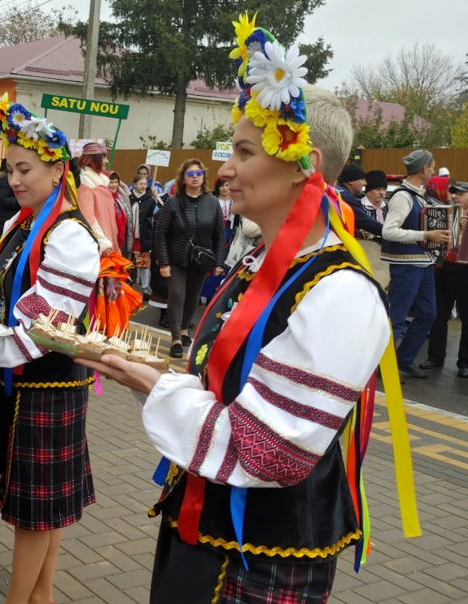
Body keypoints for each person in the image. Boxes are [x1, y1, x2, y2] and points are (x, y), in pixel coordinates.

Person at [78, 19, 401, 602]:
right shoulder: (264, 263)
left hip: (260, 560)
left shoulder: (339, 293)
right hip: (210, 534)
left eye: (244, 153)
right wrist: (154, 375)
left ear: (307, 163)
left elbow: (267, 450)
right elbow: (224, 389)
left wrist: (156, 388)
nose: (223, 169)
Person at [0, 94, 98, 604]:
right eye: (8, 169)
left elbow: (40, 326)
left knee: (35, 513)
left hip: (47, 387)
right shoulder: (19, 224)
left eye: (25, 168)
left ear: (58, 170)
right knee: (37, 510)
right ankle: (40, 599)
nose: (14, 179)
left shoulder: (71, 235)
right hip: (18, 384)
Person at [382, 149, 450, 378]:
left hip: (423, 264)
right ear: (425, 168)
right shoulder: (403, 195)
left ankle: (404, 359)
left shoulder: (419, 195)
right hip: (406, 264)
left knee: (429, 314)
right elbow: (389, 231)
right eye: (432, 166)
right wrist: (425, 235)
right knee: (397, 317)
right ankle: (386, 365)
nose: (433, 169)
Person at [154, 159, 225, 358]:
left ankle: (185, 329)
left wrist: (219, 261)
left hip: (200, 260)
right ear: (183, 178)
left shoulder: (212, 202)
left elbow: (219, 233)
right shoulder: (173, 202)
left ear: (204, 177)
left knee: (193, 297)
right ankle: (176, 338)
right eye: (190, 174)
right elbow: (161, 233)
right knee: (177, 296)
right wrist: (164, 262)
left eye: (198, 173)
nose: (195, 177)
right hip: (176, 259)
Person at [422, 180, 468, 377]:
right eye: (454, 193)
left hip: (465, 272)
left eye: (461, 193)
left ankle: (465, 363)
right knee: (438, 315)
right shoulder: (445, 213)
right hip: (444, 269)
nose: (456, 196)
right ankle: (435, 357)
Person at [75, 142, 119, 253]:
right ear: (92, 159)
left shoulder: (101, 181)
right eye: (103, 157)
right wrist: (103, 243)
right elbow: (88, 217)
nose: (107, 161)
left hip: (106, 239)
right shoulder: (84, 181)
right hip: (94, 244)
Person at [336, 163, 383, 239]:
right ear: (351, 181)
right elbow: (365, 221)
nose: (365, 183)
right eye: (362, 179)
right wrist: (389, 232)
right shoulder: (344, 196)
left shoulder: (337, 192)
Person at [0, 159, 21, 252]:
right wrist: (21, 202)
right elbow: (1, 199)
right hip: (4, 222)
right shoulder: (7, 179)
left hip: (16, 223)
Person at [131, 174, 155, 294]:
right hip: (130, 235)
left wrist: (147, 223)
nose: (143, 186)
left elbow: (154, 216)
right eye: (140, 184)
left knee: (144, 263)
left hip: (144, 236)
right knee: (130, 262)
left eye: (145, 184)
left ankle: (145, 286)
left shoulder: (150, 200)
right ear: (134, 184)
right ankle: (128, 284)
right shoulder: (129, 197)